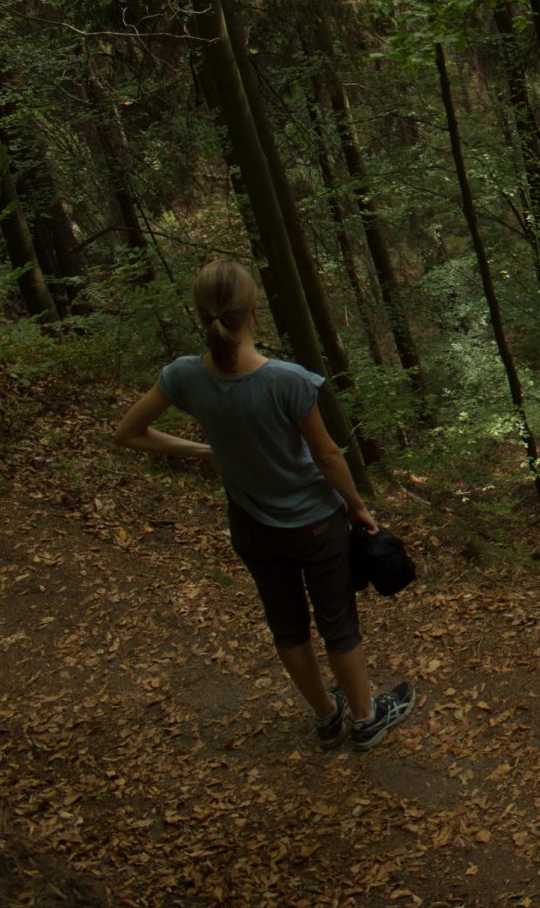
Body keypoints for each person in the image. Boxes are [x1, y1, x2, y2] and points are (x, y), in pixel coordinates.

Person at [114, 259, 415, 751]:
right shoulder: (289, 381)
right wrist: (357, 506)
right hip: (315, 526)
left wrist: (204, 451)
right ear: (254, 310)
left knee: (288, 627)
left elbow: (127, 432)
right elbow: (326, 455)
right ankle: (364, 720)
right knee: (337, 623)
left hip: (251, 525)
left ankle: (325, 716)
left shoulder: (185, 376)